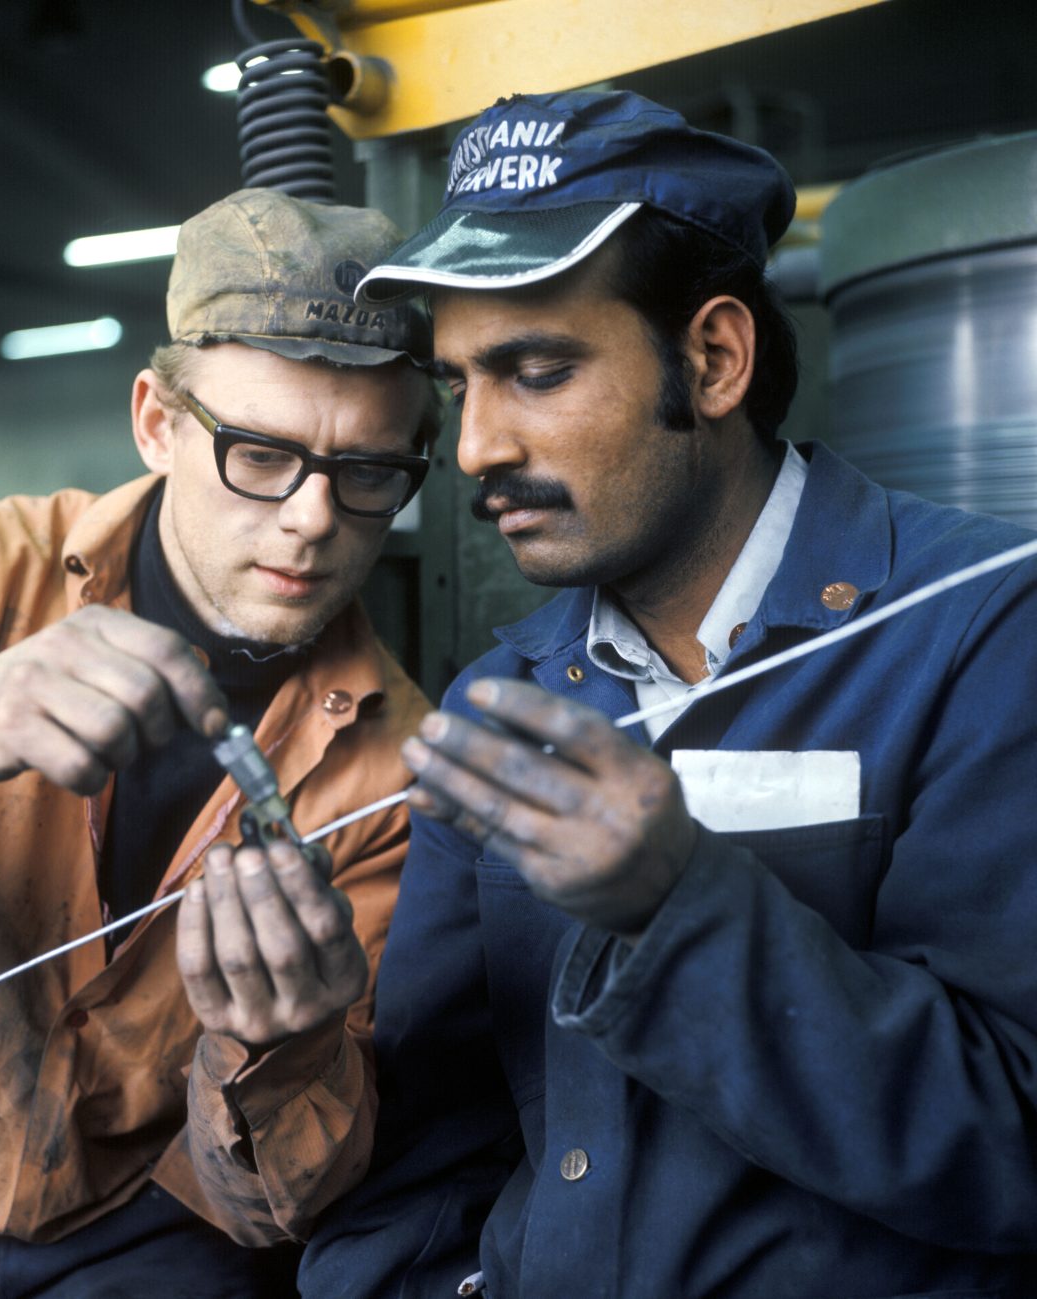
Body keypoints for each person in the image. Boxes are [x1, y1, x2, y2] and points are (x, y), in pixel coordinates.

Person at [297, 90, 1037, 1297]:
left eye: (533, 371)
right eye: (455, 385)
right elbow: (431, 1148)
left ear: (712, 358)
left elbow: (1010, 1141)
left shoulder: (977, 636)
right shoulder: (502, 701)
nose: (475, 445)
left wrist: (674, 907)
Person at [0, 187, 437, 1297]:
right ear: (156, 422)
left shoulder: (395, 777)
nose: (313, 517)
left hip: (156, 1252)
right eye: (258, 453)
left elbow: (286, 1205)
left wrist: (282, 1048)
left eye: (367, 471)